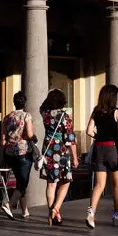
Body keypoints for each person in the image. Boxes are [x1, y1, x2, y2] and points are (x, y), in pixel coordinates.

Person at [85, 84, 118, 229]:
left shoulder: (96, 111)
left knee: (99, 184)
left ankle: (91, 213)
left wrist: (98, 136)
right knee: (117, 185)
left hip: (99, 148)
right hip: (113, 149)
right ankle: (116, 216)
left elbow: (89, 131)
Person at [39, 89, 78, 226]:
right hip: (61, 150)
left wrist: (50, 95)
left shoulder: (45, 114)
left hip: (48, 150)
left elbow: (42, 106)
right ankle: (55, 209)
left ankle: (53, 213)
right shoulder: (65, 116)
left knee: (51, 183)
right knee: (66, 181)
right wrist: (75, 157)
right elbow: (70, 139)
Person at [0, 91, 35, 220]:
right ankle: (9, 204)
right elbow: (30, 135)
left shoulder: (7, 117)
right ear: (24, 103)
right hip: (23, 151)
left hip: (10, 152)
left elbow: (3, 139)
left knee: (20, 180)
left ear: (14, 103)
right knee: (23, 182)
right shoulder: (26, 116)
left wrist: (2, 155)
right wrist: (35, 139)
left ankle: (25, 210)